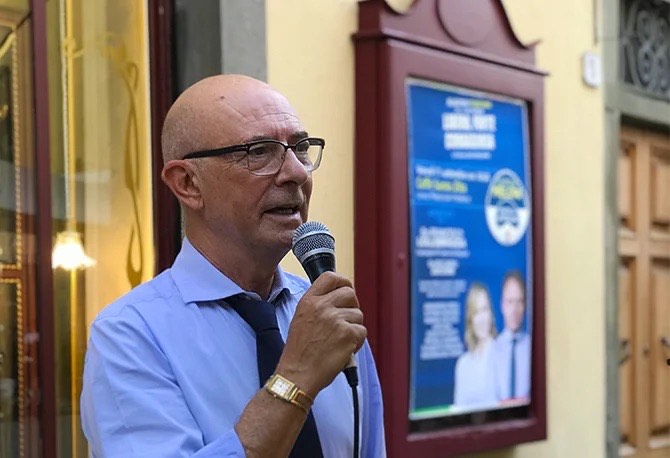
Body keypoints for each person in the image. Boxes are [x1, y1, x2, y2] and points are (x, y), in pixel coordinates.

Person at [80, 75, 386, 457]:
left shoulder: (328, 313)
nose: (296, 173)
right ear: (188, 183)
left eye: (301, 148)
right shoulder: (130, 335)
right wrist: (295, 377)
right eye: (259, 151)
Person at [453, 282, 498, 409]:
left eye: (484, 310)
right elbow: (459, 410)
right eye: (476, 312)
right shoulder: (463, 364)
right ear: (470, 319)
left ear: (491, 314)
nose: (481, 318)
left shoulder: (503, 355)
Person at [493, 270, 531, 402]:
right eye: (510, 302)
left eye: (519, 302)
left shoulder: (534, 349)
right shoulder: (492, 350)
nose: (514, 310)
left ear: (525, 306)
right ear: (502, 305)